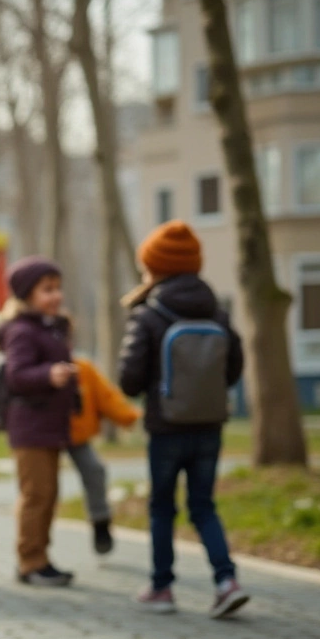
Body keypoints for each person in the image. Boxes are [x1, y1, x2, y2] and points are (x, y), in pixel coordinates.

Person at [118, 220, 247, 618]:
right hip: (210, 426)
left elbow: (129, 379)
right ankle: (226, 581)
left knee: (162, 507)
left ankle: (162, 588)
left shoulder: (150, 314)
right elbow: (235, 367)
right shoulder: (218, 311)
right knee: (203, 506)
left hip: (166, 428)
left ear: (156, 268)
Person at [0, 256, 77, 587]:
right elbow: (17, 375)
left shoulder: (49, 328)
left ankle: (42, 557)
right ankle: (30, 561)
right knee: (35, 495)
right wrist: (49, 374)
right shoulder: (22, 331)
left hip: (50, 426)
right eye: (47, 289)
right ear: (27, 295)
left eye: (58, 288)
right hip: (30, 426)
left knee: (48, 494)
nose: (56, 295)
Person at [69, 353, 141, 554]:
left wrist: (129, 416)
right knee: (44, 489)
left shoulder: (83, 369)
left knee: (95, 470)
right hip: (44, 436)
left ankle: (100, 521)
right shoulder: (39, 367)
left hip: (77, 434)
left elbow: (106, 397)